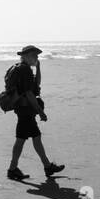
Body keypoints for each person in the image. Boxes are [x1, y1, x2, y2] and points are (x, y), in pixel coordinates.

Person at [7, 45, 65, 180]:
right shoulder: (24, 70)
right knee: (25, 138)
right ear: (26, 56)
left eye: (37, 56)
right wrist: (40, 112)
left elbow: (36, 86)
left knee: (31, 138)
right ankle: (14, 169)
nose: (36, 58)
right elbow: (29, 94)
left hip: (23, 109)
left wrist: (38, 67)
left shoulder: (23, 69)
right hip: (25, 109)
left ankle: (45, 166)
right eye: (34, 56)